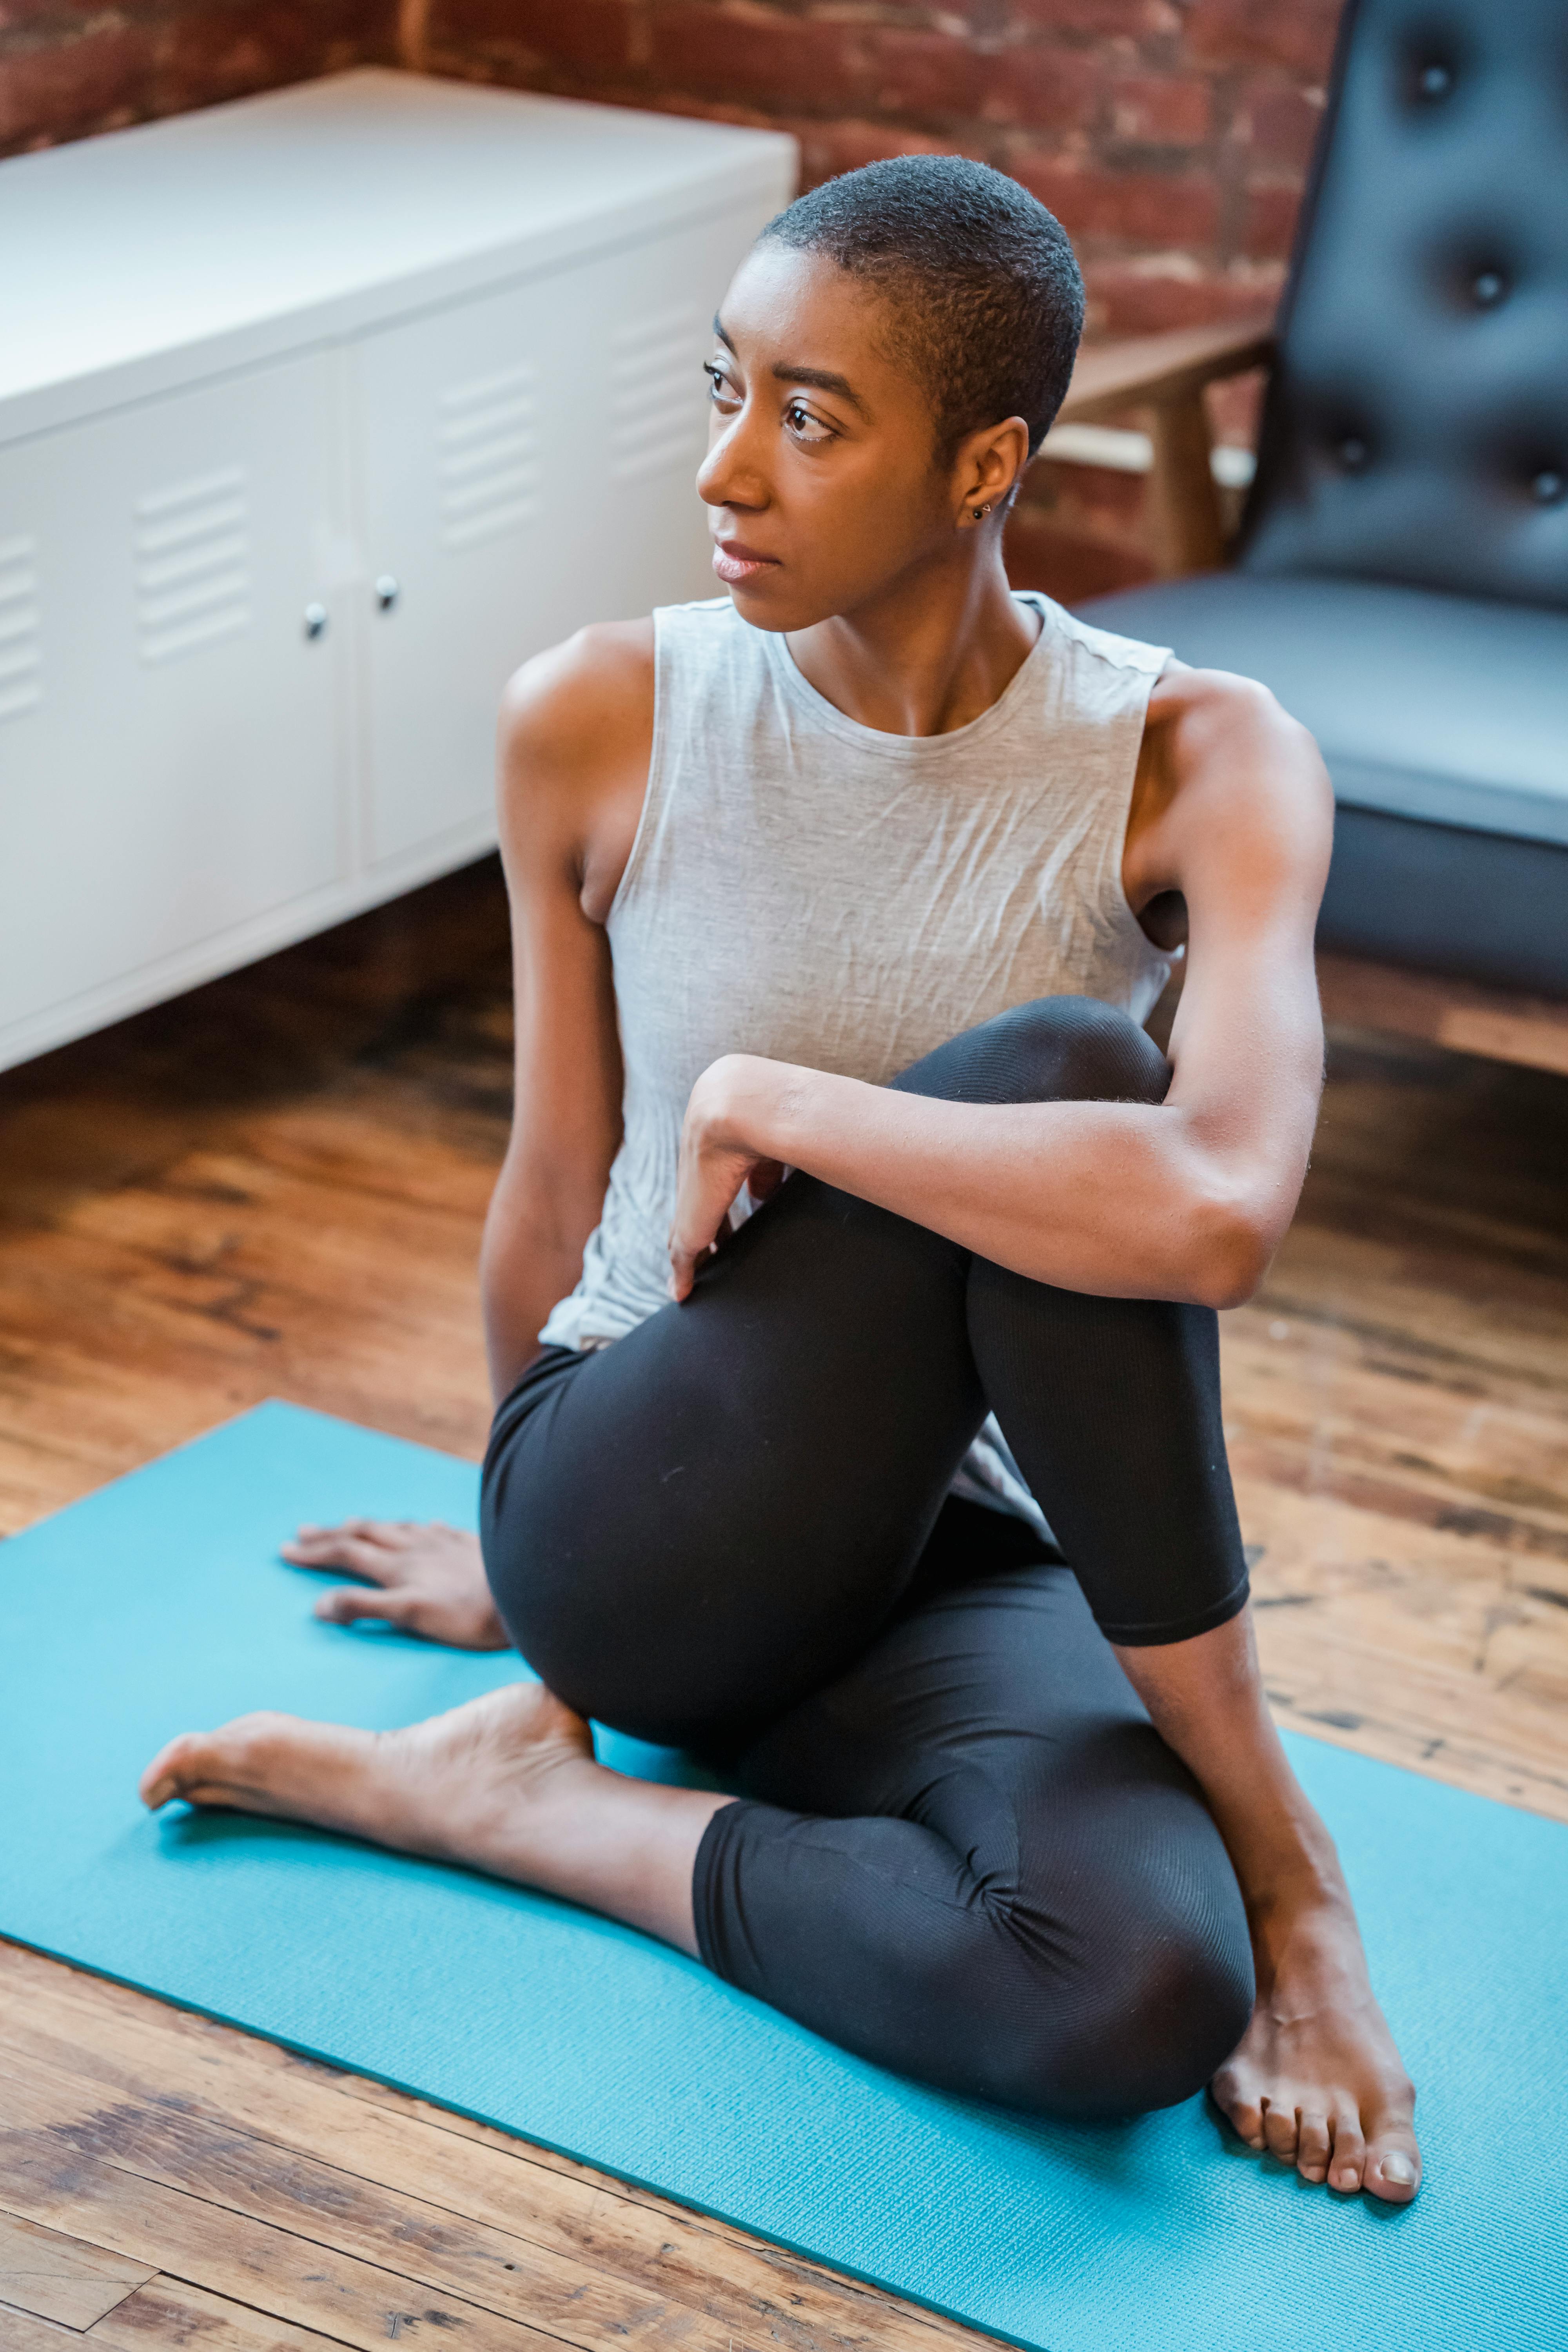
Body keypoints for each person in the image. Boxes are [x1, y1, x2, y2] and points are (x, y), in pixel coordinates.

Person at [140, 157, 1420, 2201]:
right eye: (723, 388)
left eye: (810, 419)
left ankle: (536, 1817)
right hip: (642, 1511)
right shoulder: (602, 711)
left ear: (987, 457)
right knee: (1068, 1081)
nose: (730, 468)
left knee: (1128, 1997)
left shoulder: (1207, 761)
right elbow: (561, 1170)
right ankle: (1305, 1874)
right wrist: (528, 1556)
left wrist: (784, 1104)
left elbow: (1220, 1213)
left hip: (939, 1545)